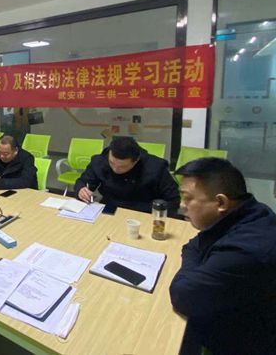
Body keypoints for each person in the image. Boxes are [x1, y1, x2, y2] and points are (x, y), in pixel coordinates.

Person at [169, 158, 276, 355]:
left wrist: (192, 270)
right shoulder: (252, 211)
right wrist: (196, 263)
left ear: (221, 202)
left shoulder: (246, 251)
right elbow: (192, 246)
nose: (182, 205)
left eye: (188, 198)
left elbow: (183, 295)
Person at [74, 136, 179, 214]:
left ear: (136, 161)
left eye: (122, 167)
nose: (115, 169)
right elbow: (83, 182)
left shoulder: (156, 167)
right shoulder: (100, 161)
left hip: (144, 211)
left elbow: (173, 200)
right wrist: (81, 189)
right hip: (110, 208)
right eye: (111, 163)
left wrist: (155, 213)